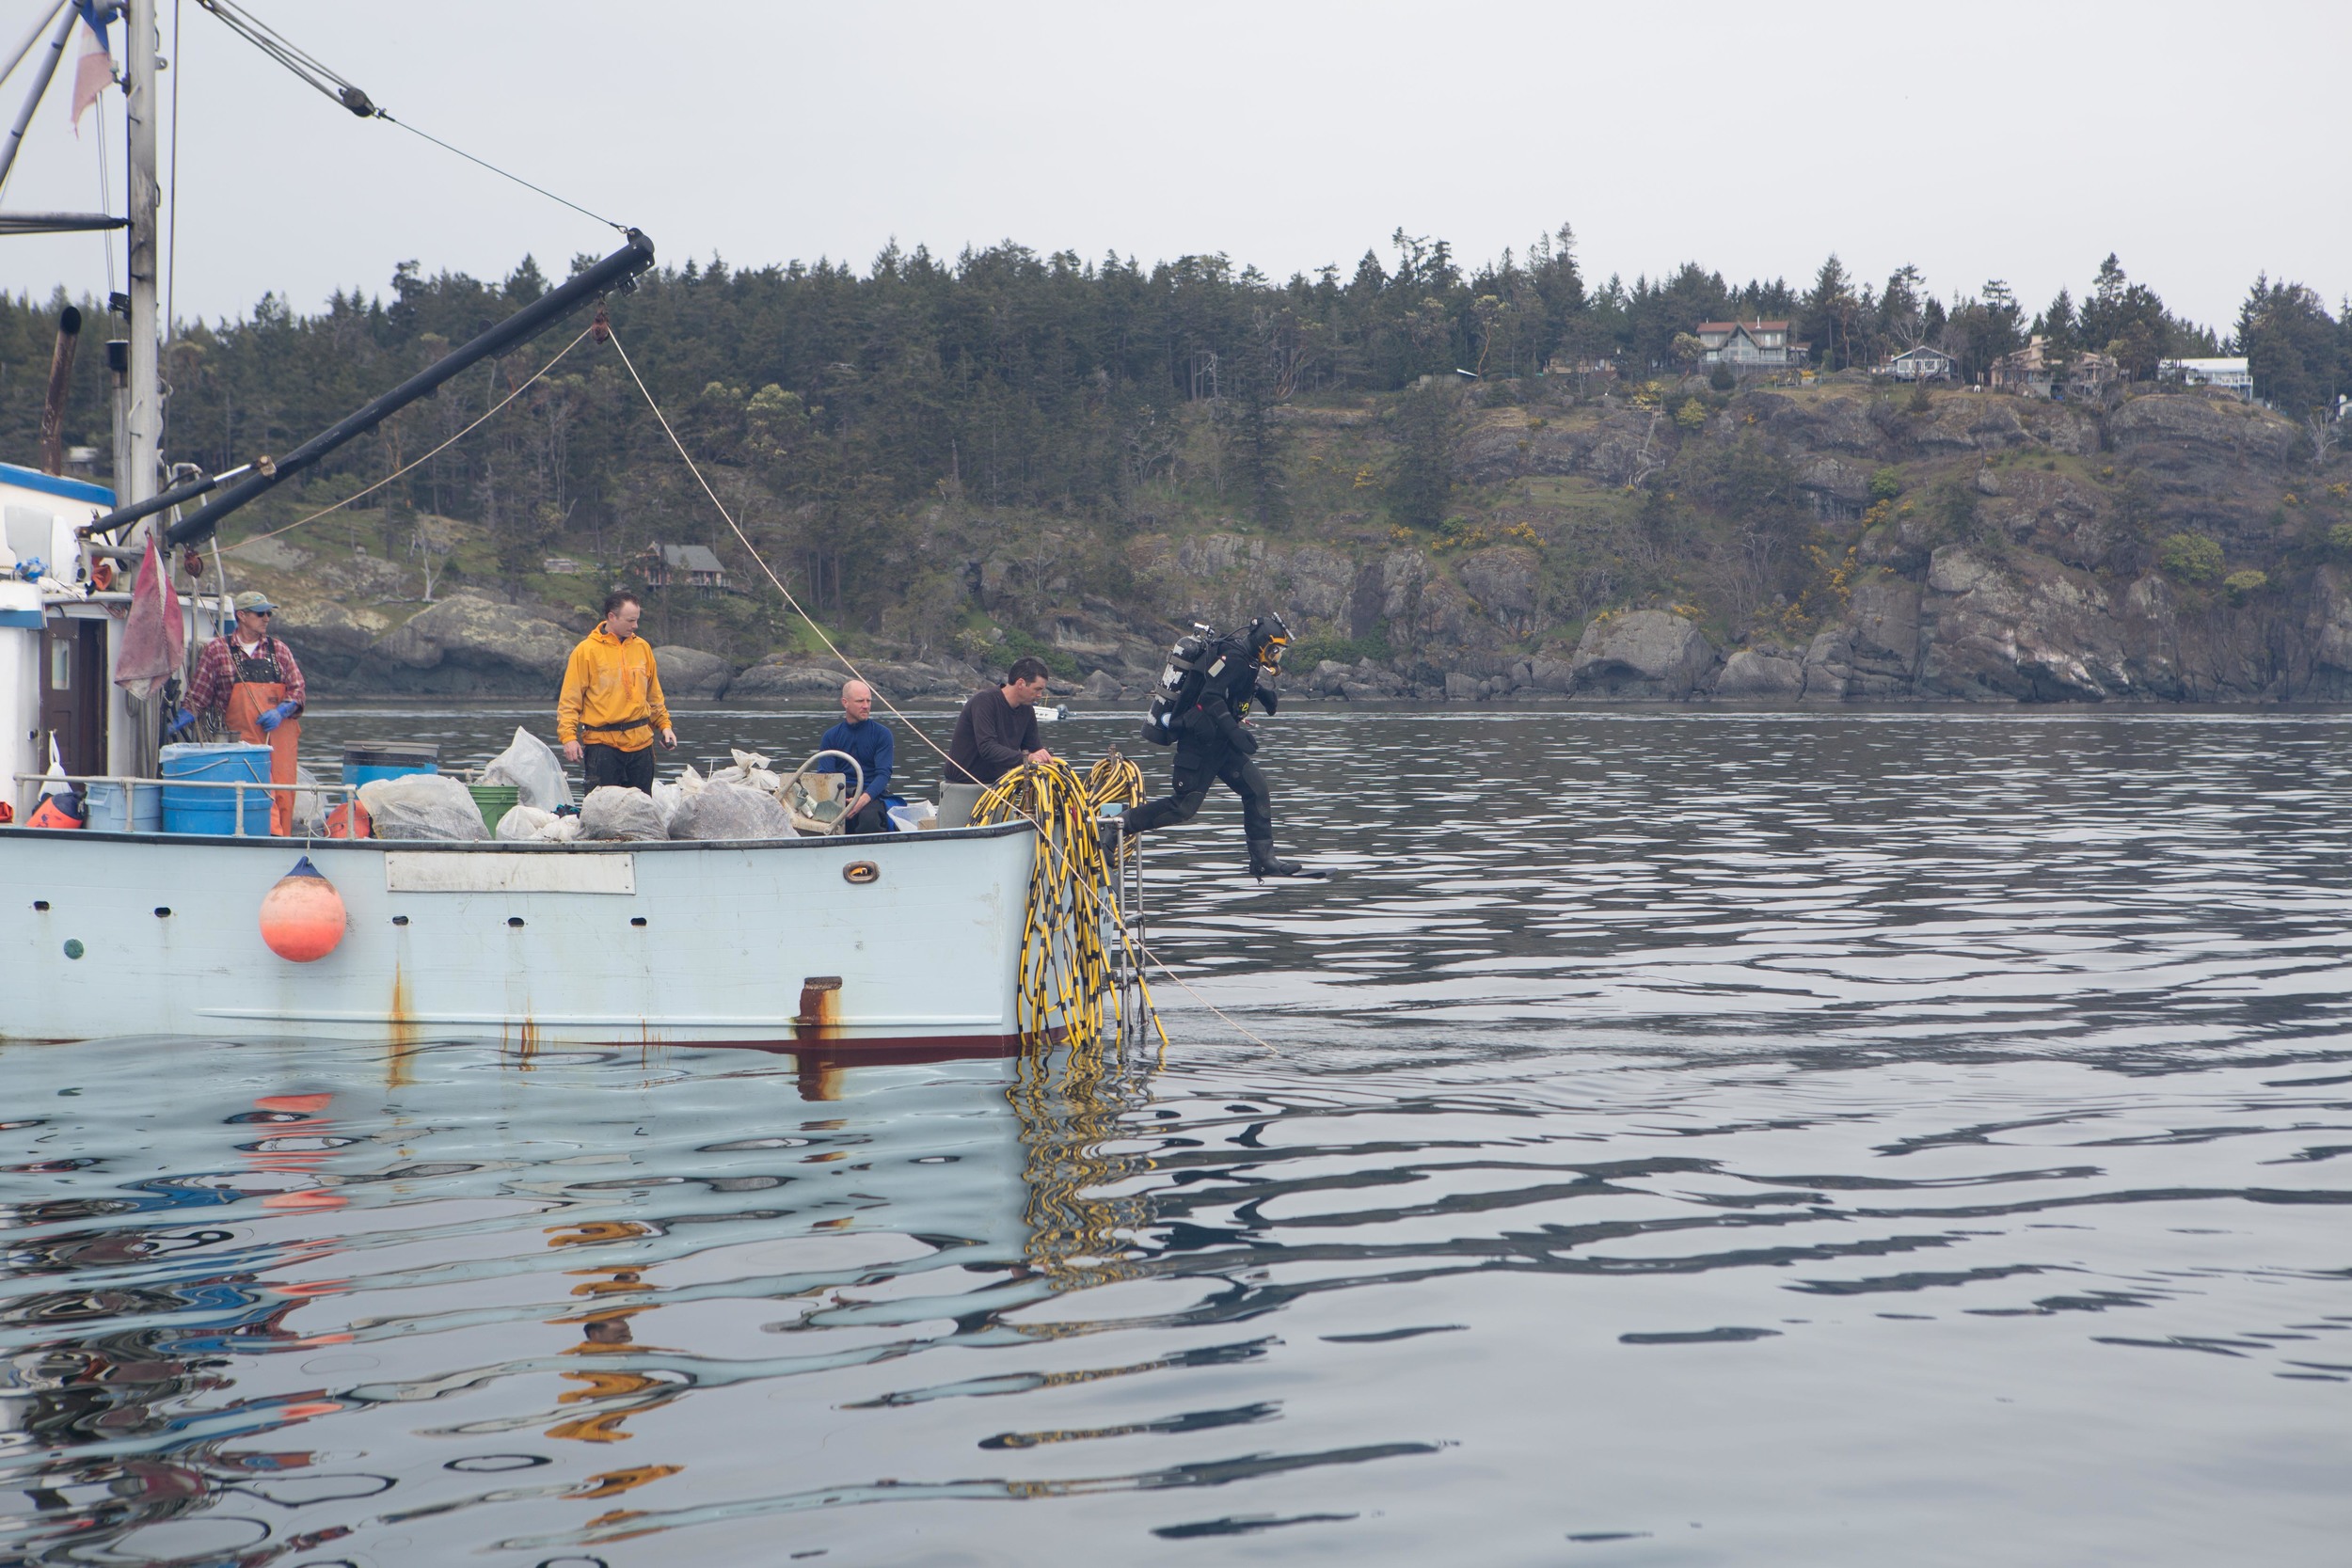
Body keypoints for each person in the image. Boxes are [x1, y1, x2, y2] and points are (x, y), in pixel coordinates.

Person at [1115, 612, 1316, 879]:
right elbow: (1210, 696)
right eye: (1273, 649)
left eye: (1278, 651)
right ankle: (1120, 825)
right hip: (1198, 744)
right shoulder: (1232, 657)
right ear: (1261, 643)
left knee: (1257, 791)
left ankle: (1263, 860)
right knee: (1183, 807)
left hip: (1220, 744)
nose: (1275, 656)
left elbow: (1231, 689)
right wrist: (1234, 731)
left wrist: (1259, 693)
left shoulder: (1248, 661)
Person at [170, 590, 306, 836]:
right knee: (253, 790)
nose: (266, 618)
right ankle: (259, 836)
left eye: (268, 613)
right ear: (242, 616)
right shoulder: (217, 650)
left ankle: (283, 841)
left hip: (280, 736)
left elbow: (298, 692)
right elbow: (198, 696)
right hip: (240, 739)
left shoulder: (280, 650)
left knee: (284, 793)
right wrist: (179, 721)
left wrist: (281, 711)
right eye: (260, 613)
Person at [557, 590, 675, 794]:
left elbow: (654, 695)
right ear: (612, 616)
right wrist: (569, 737)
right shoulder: (585, 651)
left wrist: (665, 726)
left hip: (641, 745)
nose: (635, 626)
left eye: (637, 620)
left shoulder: (643, 648)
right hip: (602, 746)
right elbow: (570, 700)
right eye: (630, 620)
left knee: (641, 810)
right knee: (601, 812)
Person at [940, 657, 1057, 828]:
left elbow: (1033, 749)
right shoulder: (984, 701)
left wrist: (1046, 760)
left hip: (1000, 790)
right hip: (963, 789)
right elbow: (987, 748)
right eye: (1037, 689)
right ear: (1021, 683)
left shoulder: (1027, 710)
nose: (1039, 695)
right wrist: (1029, 758)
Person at [817, 679, 894, 834]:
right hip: (840, 793)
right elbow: (825, 776)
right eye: (860, 701)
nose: (866, 706)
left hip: (870, 794)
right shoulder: (831, 736)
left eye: (868, 701)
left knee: (869, 819)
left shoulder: (882, 734)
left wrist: (863, 799)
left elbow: (884, 774)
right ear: (845, 702)